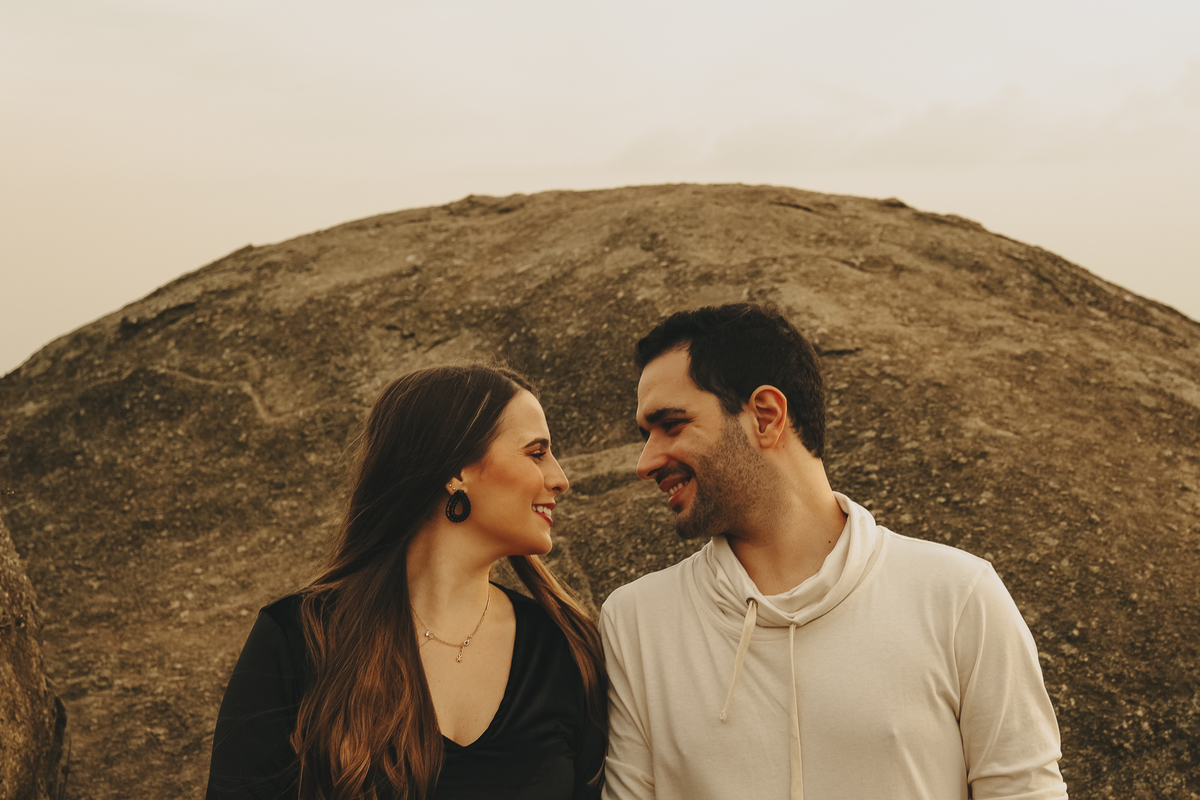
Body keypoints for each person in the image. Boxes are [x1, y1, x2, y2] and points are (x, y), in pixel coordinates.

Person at [600, 303, 1068, 800]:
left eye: (671, 425)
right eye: (646, 435)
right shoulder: (636, 623)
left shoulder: (957, 596)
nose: (645, 462)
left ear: (766, 416)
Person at [206, 363, 607, 800]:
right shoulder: (302, 637)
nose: (561, 479)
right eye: (536, 453)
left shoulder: (565, 648)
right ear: (457, 470)